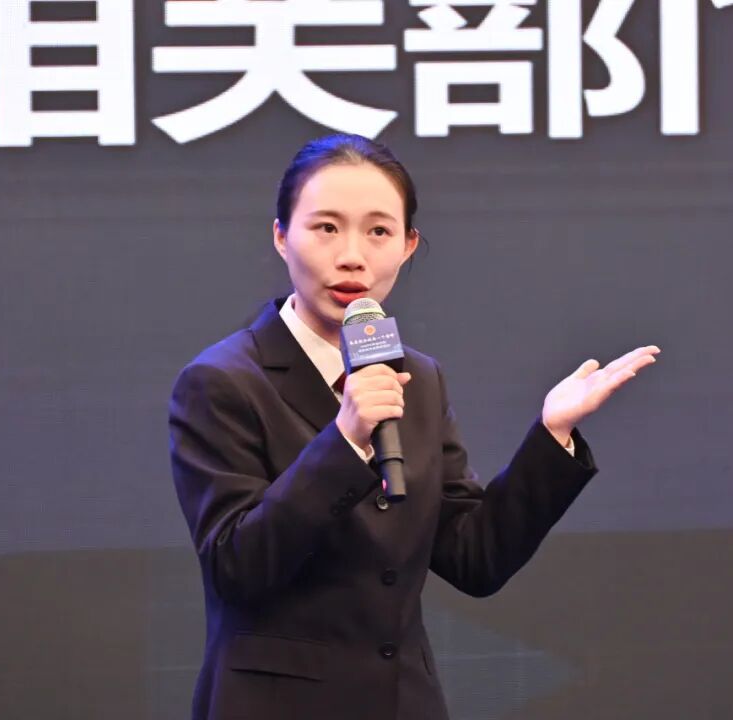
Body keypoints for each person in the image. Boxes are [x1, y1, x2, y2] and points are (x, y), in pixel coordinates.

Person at [168, 134, 660, 720]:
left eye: (378, 231)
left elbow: (474, 558)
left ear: (408, 245)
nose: (352, 256)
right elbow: (237, 568)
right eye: (326, 228)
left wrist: (552, 436)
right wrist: (345, 440)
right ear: (281, 236)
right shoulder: (222, 381)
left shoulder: (416, 377)